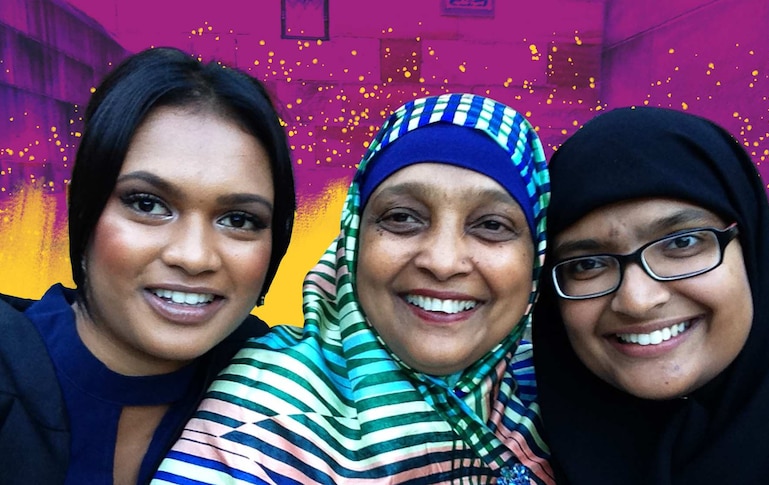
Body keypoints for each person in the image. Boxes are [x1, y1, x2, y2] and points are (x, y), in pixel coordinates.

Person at [154, 93, 555, 484]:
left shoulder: (553, 394)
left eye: (492, 225)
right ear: (353, 241)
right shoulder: (269, 414)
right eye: (401, 217)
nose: (443, 262)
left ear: (535, 256)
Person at [0, 46, 296, 484]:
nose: (194, 257)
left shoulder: (294, 399)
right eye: (147, 204)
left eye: (238, 219)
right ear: (86, 211)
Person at [532, 106, 769, 484]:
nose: (638, 300)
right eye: (587, 264)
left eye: (682, 242)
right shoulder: (508, 446)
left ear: (753, 252)